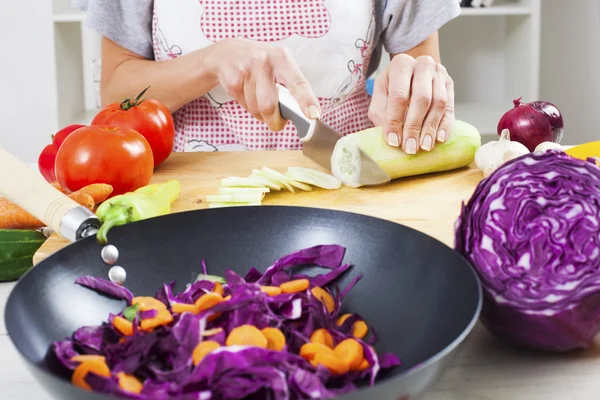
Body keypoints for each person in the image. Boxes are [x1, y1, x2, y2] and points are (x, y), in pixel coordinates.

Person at [74, 0, 460, 155]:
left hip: (346, 182)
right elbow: (117, 91)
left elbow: (416, 67)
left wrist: (417, 81)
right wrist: (209, 62)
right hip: (190, 197)